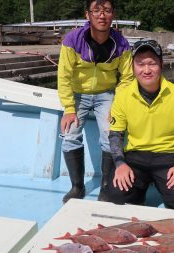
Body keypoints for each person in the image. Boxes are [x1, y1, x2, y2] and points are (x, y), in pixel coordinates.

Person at [107, 40, 174, 211]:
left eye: (152, 63)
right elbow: (115, 135)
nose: (147, 70)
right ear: (133, 66)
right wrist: (120, 164)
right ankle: (137, 196)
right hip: (135, 156)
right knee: (115, 194)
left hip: (169, 157)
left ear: (161, 64)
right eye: (141, 64)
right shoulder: (122, 96)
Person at [58, 0, 133, 203]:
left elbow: (127, 78)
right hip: (77, 93)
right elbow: (64, 76)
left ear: (112, 15)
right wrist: (69, 108)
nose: (102, 15)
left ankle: (106, 188)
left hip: (106, 94)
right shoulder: (73, 39)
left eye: (107, 11)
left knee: (111, 134)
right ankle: (77, 187)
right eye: (96, 11)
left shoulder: (121, 43)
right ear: (87, 15)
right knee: (70, 134)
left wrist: (117, 106)